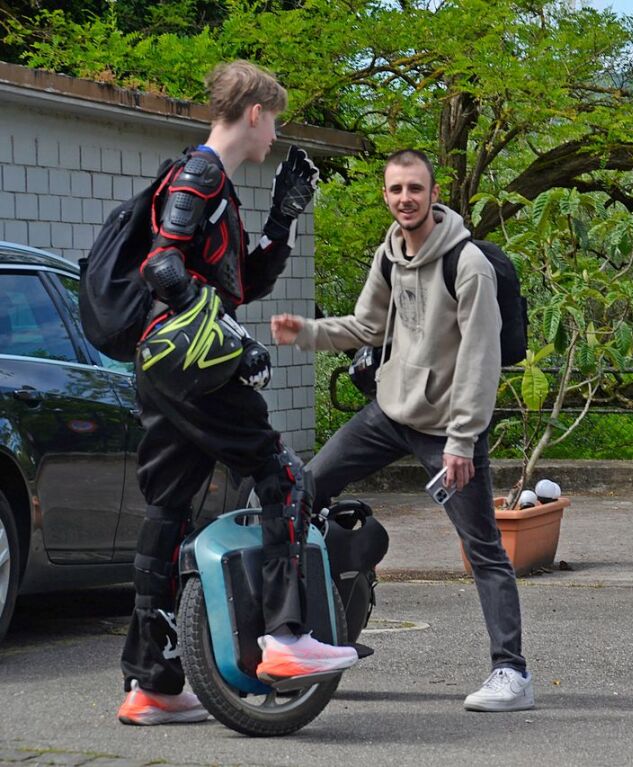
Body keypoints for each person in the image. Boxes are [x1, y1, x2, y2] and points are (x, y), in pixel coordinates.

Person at [117, 60, 358, 726]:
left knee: (167, 508)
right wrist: (227, 336)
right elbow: (161, 264)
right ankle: (284, 638)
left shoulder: (218, 186)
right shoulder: (200, 174)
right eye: (273, 118)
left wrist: (281, 222)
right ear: (254, 112)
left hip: (168, 368)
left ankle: (153, 684)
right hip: (195, 363)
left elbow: (237, 284)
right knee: (284, 476)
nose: (274, 133)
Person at [271, 149, 534, 712]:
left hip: (446, 429)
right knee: (302, 490)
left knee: (483, 547)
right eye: (395, 190)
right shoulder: (389, 254)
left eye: (415, 188)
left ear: (433, 193)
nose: (405, 199)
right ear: (386, 196)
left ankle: (511, 673)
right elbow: (367, 325)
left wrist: (463, 441)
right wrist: (307, 332)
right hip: (389, 413)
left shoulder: (467, 265)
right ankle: (301, 635)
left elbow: (481, 362)